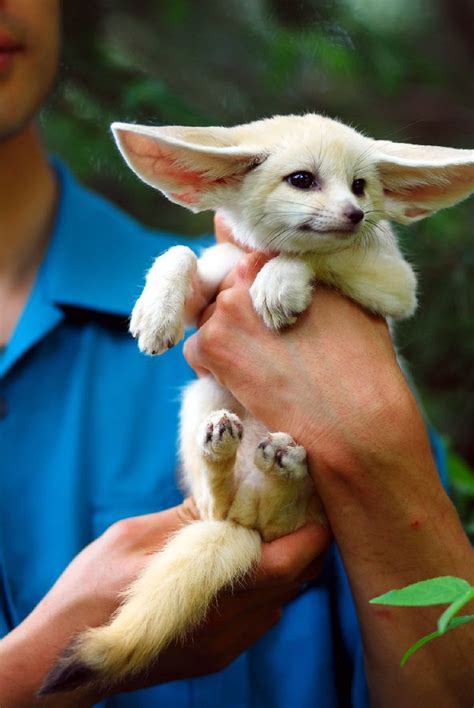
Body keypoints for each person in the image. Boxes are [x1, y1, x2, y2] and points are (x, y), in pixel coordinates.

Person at [0, 1, 472, 707]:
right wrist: (25, 673)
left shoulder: (321, 342)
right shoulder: (196, 294)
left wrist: (383, 453)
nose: (345, 207)